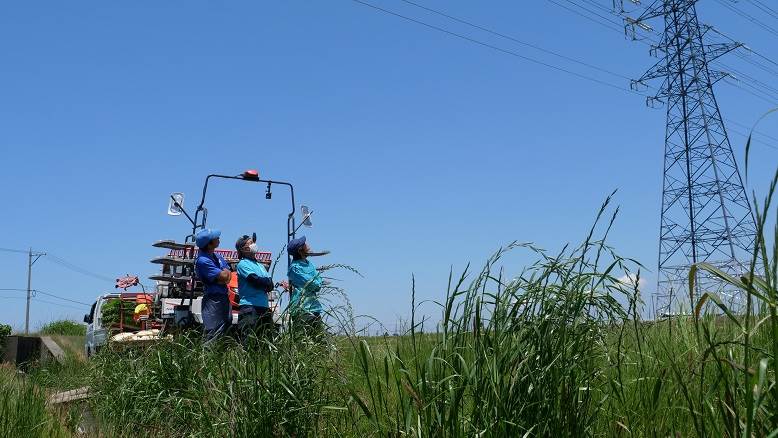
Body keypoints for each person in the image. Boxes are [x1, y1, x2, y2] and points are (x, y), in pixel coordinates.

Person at [235, 235, 275, 342]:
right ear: (243, 249)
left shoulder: (260, 265)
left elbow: (271, 285)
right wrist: (265, 283)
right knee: (249, 341)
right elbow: (255, 280)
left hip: (264, 307)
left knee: (264, 342)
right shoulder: (242, 264)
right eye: (250, 243)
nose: (254, 245)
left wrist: (265, 283)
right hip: (249, 307)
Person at [194, 228, 232, 342]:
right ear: (209, 244)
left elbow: (227, 277)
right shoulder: (203, 260)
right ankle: (208, 359)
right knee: (213, 333)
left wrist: (223, 277)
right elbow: (226, 276)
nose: (218, 238)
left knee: (225, 330)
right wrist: (223, 276)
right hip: (213, 300)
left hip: (223, 297)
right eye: (215, 238)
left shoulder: (216, 256)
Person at [286, 236, 324, 333]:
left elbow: (319, 281)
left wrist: (316, 283)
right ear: (300, 250)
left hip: (314, 306)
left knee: (320, 341)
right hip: (302, 308)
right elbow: (312, 284)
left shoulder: (309, 264)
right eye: (305, 244)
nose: (308, 245)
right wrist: (316, 282)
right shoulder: (294, 268)